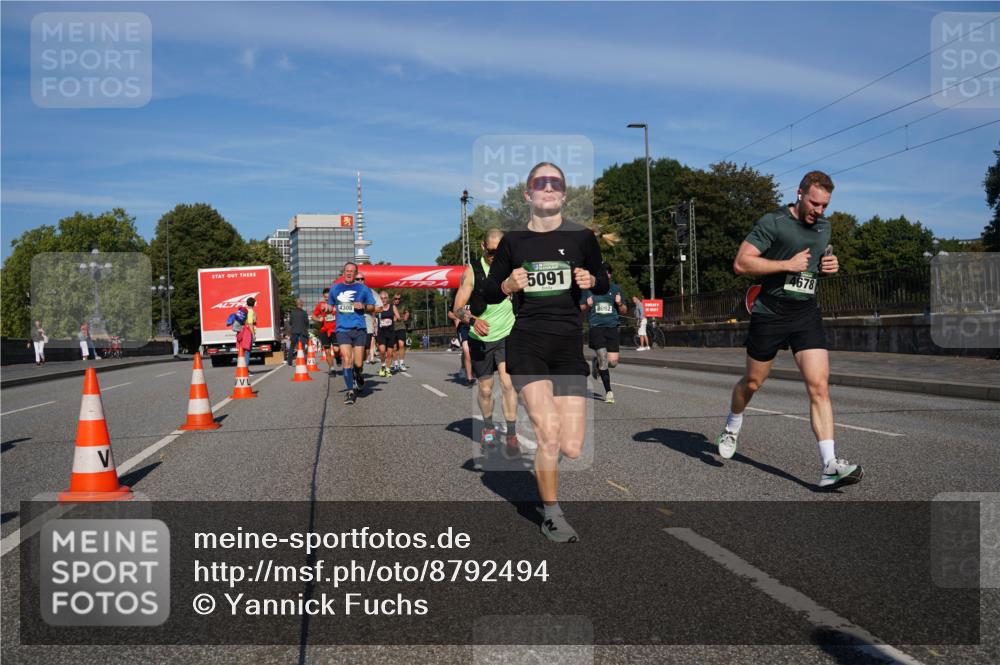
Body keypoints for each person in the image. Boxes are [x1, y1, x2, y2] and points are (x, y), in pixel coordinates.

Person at [482, 162, 608, 543]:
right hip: (528, 344)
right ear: (528, 194)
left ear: (564, 194)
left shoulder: (582, 238)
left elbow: (603, 280)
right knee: (548, 433)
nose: (548, 188)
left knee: (571, 446)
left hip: (568, 345)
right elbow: (487, 293)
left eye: (556, 183)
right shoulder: (514, 242)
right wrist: (506, 283)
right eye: (541, 183)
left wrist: (591, 280)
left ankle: (547, 474)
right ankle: (552, 514)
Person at [715, 170, 863, 489]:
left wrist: (829, 265)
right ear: (799, 194)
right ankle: (732, 425)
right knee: (752, 382)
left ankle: (829, 465)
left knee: (819, 386)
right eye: (814, 203)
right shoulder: (774, 223)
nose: (819, 211)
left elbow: (818, 258)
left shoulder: (824, 227)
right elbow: (742, 263)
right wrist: (785, 265)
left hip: (805, 313)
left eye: (825, 206)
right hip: (770, 313)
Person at [453, 228, 520, 460]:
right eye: (492, 252)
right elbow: (457, 308)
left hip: (508, 333)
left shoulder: (512, 267)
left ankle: (511, 433)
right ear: (483, 248)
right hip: (480, 337)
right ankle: (489, 427)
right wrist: (472, 319)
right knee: (485, 389)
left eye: (500, 251)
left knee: (509, 383)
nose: (495, 256)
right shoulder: (472, 271)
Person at [329, 262, 378, 405]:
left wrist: (363, 306)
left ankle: (358, 373)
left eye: (352, 271)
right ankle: (350, 391)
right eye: (346, 271)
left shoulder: (363, 289)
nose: (349, 273)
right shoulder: (335, 289)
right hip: (342, 329)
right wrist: (326, 307)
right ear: (343, 272)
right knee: (346, 360)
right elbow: (330, 305)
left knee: (358, 362)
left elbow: (372, 306)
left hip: (359, 329)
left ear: (356, 274)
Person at [581, 264, 627, 404]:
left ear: (610, 275)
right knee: (603, 356)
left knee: (612, 362)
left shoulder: (616, 289)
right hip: (596, 328)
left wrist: (619, 304)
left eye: (608, 273)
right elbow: (582, 308)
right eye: (603, 273)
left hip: (612, 327)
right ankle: (609, 392)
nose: (605, 276)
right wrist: (587, 305)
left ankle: (596, 364)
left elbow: (624, 310)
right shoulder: (589, 289)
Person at [313, 287, 340, 374]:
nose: (327, 298)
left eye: (329, 296)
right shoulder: (320, 305)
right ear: (323, 296)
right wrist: (318, 319)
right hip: (324, 330)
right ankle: (332, 368)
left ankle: (338, 357)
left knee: (336, 349)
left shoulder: (336, 304)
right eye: (325, 297)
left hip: (335, 330)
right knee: (327, 351)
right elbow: (313, 316)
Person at [376, 290, 396, 378]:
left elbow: (397, 316)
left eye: (385, 298)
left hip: (390, 332)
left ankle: (387, 370)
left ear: (387, 299)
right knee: (382, 351)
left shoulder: (392, 307)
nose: (383, 300)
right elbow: (373, 318)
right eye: (381, 298)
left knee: (390, 353)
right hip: (381, 333)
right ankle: (383, 366)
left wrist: (392, 321)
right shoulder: (378, 308)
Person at [287, 299, 310, 366]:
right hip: (302, 332)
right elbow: (307, 323)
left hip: (294, 331)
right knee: (302, 347)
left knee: (292, 347)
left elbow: (290, 322)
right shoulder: (304, 313)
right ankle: (303, 361)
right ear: (302, 304)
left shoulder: (292, 312)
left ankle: (290, 362)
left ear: (296, 304)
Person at [392, 294, 409, 373]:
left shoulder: (402, 305)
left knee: (401, 345)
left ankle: (401, 363)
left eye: (399, 299)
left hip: (401, 327)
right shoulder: (389, 306)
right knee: (394, 347)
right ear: (393, 298)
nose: (397, 300)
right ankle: (395, 364)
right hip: (392, 328)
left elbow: (406, 312)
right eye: (396, 298)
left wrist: (406, 315)